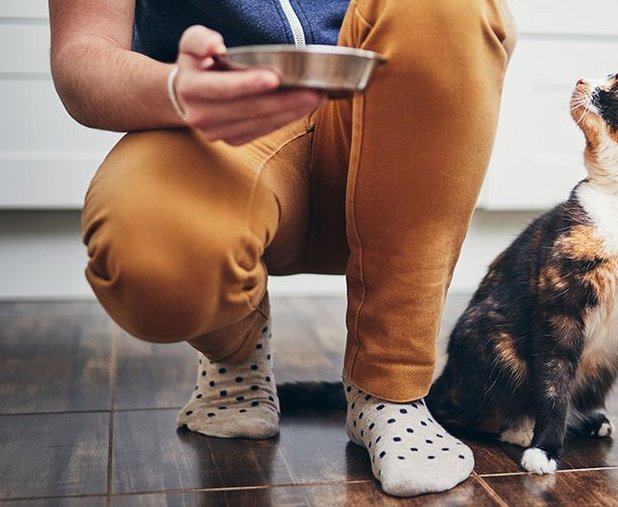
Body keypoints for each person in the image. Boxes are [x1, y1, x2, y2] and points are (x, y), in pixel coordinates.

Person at [49, 0, 514, 497]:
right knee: (150, 260)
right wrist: (177, 89)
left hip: (381, 121)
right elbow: (83, 51)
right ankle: (235, 354)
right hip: (214, 128)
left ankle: (388, 388)